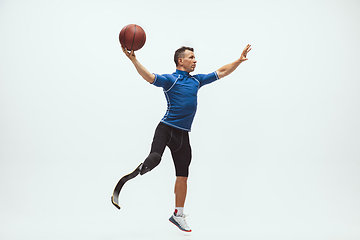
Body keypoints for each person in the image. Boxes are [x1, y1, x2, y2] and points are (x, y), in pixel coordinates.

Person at [121, 44, 251, 232]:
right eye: (191, 57)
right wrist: (133, 59)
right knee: (155, 158)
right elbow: (149, 77)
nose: (195, 60)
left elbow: (221, 72)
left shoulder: (197, 81)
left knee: (182, 177)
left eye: (194, 57)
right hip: (166, 129)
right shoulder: (170, 80)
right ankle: (140, 169)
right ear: (180, 61)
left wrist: (238, 60)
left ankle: (177, 215)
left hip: (183, 135)